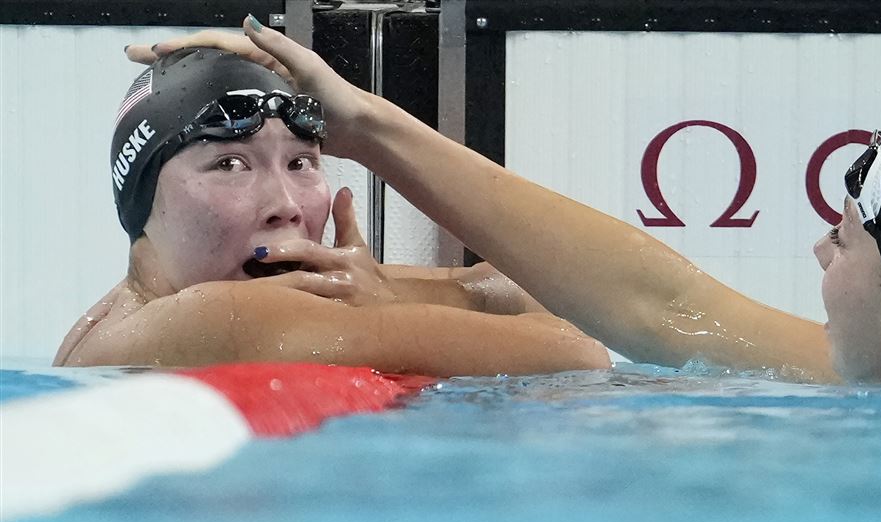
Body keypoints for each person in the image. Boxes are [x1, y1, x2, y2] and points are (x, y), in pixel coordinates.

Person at [124, 18, 881, 388]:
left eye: (854, 232)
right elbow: (653, 303)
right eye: (227, 162)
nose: (825, 244)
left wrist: (401, 312)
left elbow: (592, 343)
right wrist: (370, 128)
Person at [54, 47, 611, 376]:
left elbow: (503, 288)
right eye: (229, 165)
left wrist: (374, 292)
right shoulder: (211, 316)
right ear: (141, 198)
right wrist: (386, 304)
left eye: (301, 163)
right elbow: (578, 351)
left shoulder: (113, 322)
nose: (286, 206)